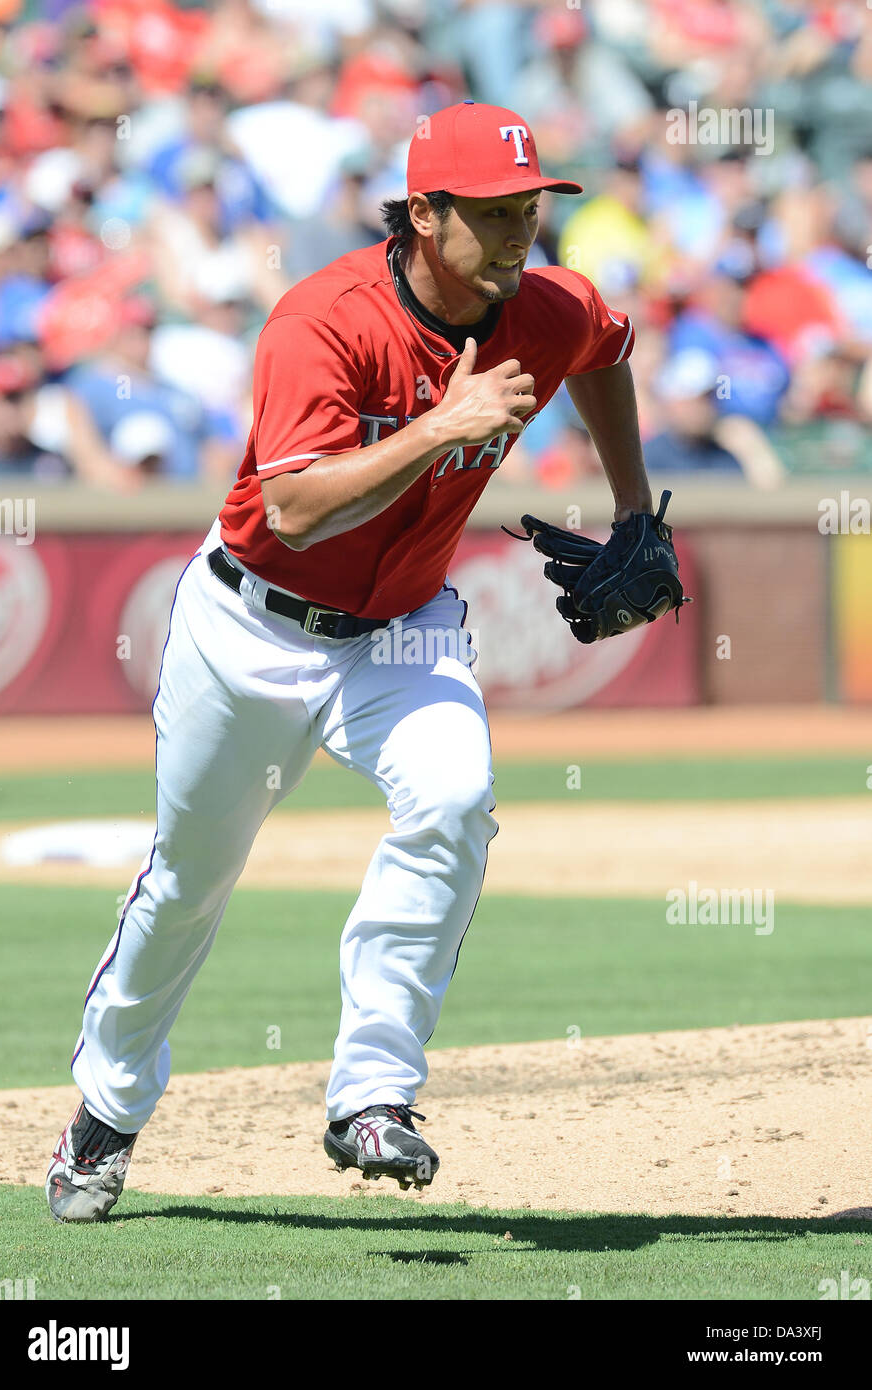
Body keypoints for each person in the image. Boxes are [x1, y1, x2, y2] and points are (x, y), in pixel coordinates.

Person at [46, 101, 652, 1221]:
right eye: (494, 213)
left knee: (456, 798)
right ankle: (105, 1114)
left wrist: (629, 509)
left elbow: (605, 347)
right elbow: (293, 506)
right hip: (250, 628)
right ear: (425, 214)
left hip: (405, 630)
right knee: (188, 883)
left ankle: (373, 1093)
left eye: (531, 208)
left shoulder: (546, 303)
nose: (522, 233)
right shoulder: (325, 319)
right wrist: (438, 425)